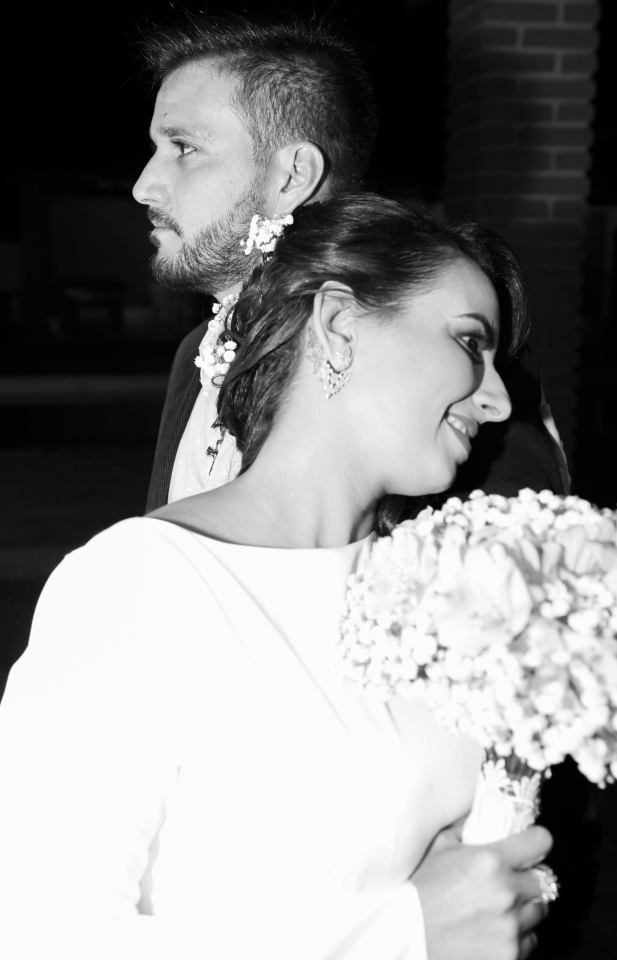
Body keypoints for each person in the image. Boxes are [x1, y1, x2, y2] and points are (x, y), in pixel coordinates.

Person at [0, 195, 552, 959]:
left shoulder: (444, 590)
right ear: (339, 324)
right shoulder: (138, 589)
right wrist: (403, 936)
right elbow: (40, 937)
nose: (497, 401)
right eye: (468, 342)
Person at [132, 14, 565, 513]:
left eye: (184, 148)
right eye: (156, 149)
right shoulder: (193, 356)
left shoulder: (452, 366)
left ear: (294, 176)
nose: (144, 186)